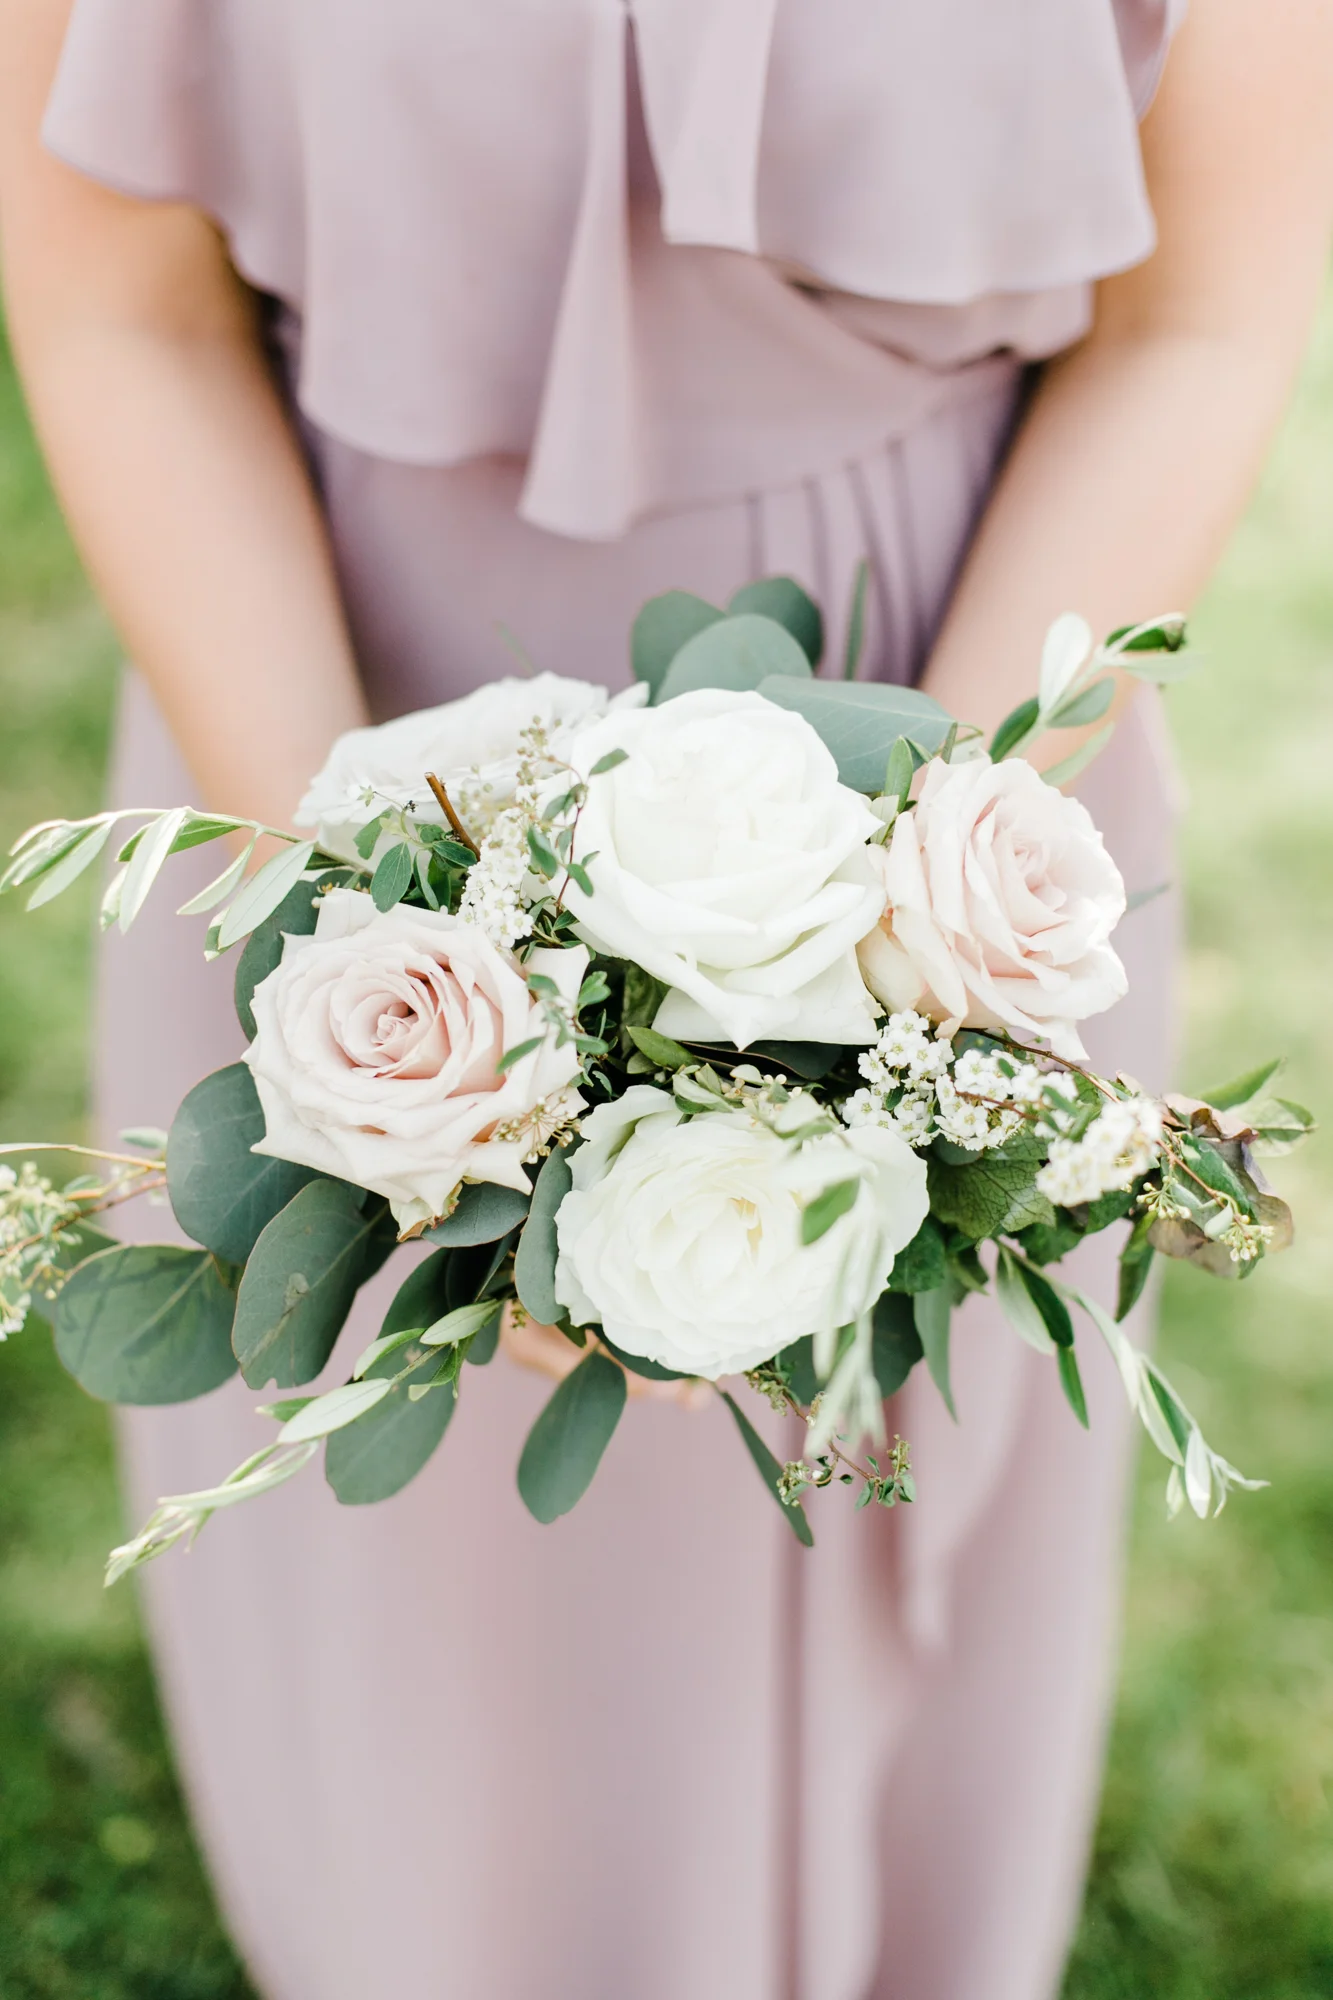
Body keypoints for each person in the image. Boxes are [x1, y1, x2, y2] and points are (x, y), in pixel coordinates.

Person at [1, 3, 1330, 1996]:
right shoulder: (359, 884)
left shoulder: (942, 854)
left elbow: (1198, 315)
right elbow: (121, 305)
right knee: (452, 1713)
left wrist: (894, 953)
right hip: (333, 715)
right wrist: (394, 955)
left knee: (880, 1554)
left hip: (959, 722)